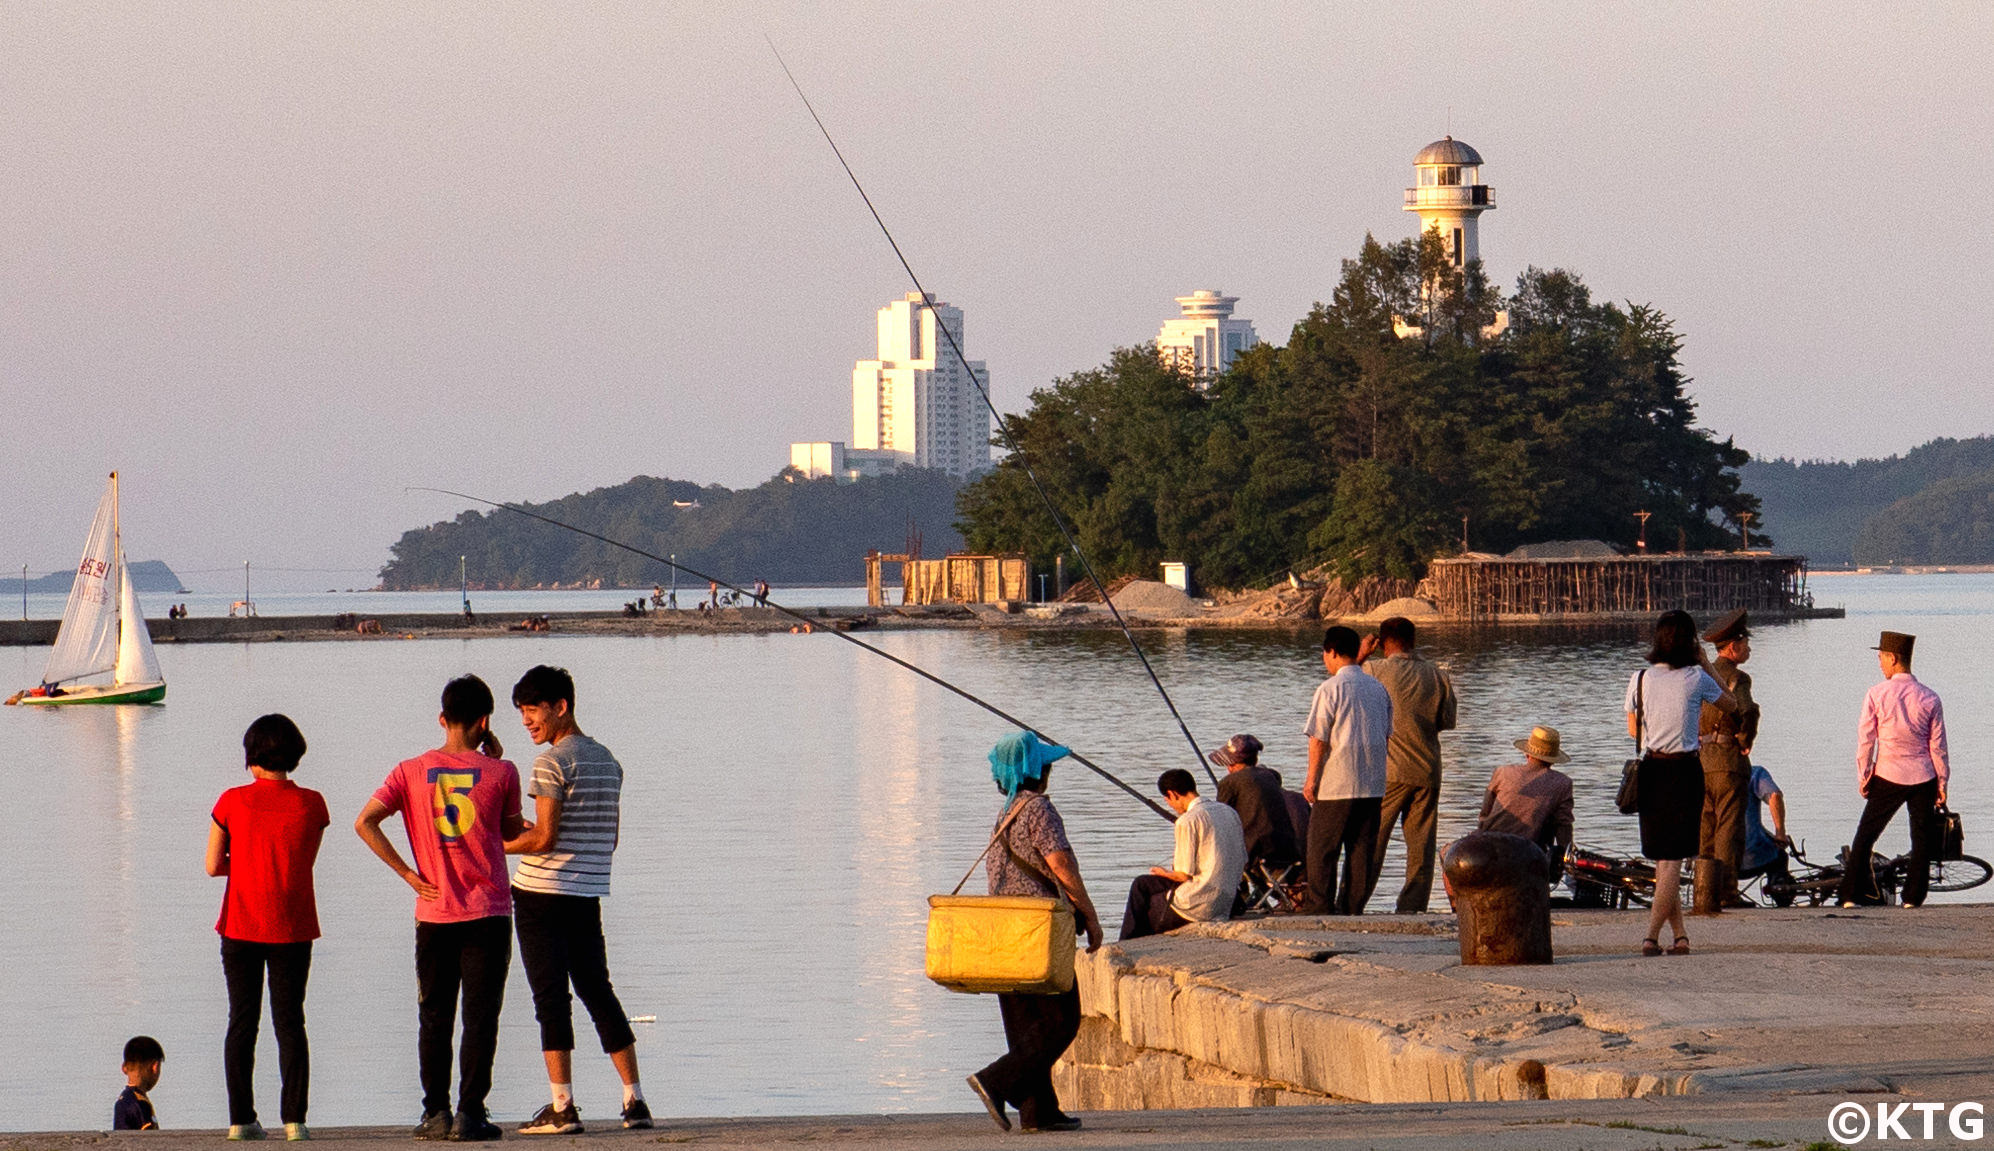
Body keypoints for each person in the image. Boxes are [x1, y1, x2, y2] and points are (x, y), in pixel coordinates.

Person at [355, 675, 526, 1142]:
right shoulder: (503, 772)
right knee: (481, 1015)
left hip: (433, 913)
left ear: (442, 719)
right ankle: (470, 1113)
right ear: (485, 721)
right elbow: (511, 832)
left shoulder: (409, 770)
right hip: (488, 911)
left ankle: (435, 1112)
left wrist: (409, 874)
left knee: (434, 1014)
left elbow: (365, 821)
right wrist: (494, 758)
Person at [505, 666, 652, 1133]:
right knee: (597, 990)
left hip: (540, 894)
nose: (527, 722)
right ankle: (634, 1101)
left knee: (550, 997)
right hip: (586, 892)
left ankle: (563, 1107)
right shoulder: (609, 761)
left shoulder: (551, 763)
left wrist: (496, 845)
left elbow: (544, 838)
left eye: (532, 711)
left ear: (560, 706)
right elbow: (608, 839)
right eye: (523, 713)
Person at [966, 731, 1104, 1135]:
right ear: (1038, 771)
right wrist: (1090, 916)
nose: (1049, 772)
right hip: (1036, 929)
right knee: (1063, 1020)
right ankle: (995, 1080)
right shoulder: (1039, 808)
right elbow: (1061, 865)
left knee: (1025, 1023)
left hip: (1002, 928)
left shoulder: (1006, 812)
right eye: (1046, 765)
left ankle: (1037, 1112)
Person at [206, 714, 330, 1142]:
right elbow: (302, 863)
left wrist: (244, 866)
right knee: (290, 1021)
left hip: (240, 924)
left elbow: (211, 866)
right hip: (293, 926)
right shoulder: (312, 804)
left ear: (252, 756)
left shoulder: (231, 802)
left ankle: (241, 1119)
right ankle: (294, 1120)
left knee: (242, 1020)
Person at [1626, 610, 1737, 957]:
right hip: (1684, 772)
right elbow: (1732, 705)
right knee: (1671, 860)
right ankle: (1650, 936)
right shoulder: (1696, 678)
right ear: (1690, 643)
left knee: (1664, 859)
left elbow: (1634, 730)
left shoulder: (1640, 678)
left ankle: (1681, 936)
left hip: (1652, 770)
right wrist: (1707, 662)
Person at [1837, 631, 1949, 908]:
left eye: (1881, 658)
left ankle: (1851, 895)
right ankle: (1912, 898)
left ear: (1893, 658)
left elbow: (1866, 741)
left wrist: (1864, 776)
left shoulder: (1876, 694)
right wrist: (1942, 783)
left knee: (1866, 835)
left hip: (1888, 773)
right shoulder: (1930, 697)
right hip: (1924, 774)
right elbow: (1938, 747)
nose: (1879, 664)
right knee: (1921, 839)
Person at [1360, 617, 1458, 913]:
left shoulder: (1374, 669)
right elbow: (1446, 722)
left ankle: (1354, 904)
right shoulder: (1437, 675)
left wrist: (1362, 654)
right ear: (1413, 641)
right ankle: (1412, 910)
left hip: (1389, 773)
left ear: (1382, 642)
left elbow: (1342, 682)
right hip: (1428, 770)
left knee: (1371, 844)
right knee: (1422, 850)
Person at [1302, 626, 1394, 915]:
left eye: (1325, 655)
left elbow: (1318, 739)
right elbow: (1387, 733)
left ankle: (1319, 907)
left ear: (1331, 652)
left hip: (1337, 782)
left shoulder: (1329, 689)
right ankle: (1352, 909)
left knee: (1322, 849)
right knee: (1360, 851)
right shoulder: (1378, 688)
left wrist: (1311, 780)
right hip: (1373, 782)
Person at [1119, 769, 1248, 940]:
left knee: (1141, 890)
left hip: (1201, 904)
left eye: (1168, 801)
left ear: (1173, 794)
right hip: (1228, 901)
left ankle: (1126, 943)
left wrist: (1163, 873)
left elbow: (1182, 875)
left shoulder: (1188, 820)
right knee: (1145, 885)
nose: (1170, 806)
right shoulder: (1229, 812)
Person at [1697, 609, 1760, 907]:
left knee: (1705, 829)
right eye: (1745, 643)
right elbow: (1746, 710)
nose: (1749, 648)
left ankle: (1703, 892)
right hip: (1727, 762)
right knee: (1728, 829)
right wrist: (1746, 739)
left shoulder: (1700, 674)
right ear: (1732, 648)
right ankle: (1727, 893)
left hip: (1700, 760)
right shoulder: (1738, 677)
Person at [1478, 726, 1576, 865]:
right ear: (1553, 760)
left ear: (1527, 754)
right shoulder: (1563, 783)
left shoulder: (1502, 772)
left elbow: (1484, 815)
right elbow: (1563, 828)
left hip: (1487, 846)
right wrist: (1567, 857)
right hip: (1529, 853)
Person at [1211, 734, 1300, 868]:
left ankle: (1238, 888)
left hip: (1254, 851)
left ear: (1231, 763)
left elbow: (1221, 822)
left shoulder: (1229, 782)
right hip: (1286, 849)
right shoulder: (1271, 776)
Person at [1737, 763, 1793, 890]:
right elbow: (1775, 796)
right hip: (1750, 858)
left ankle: (1727, 892)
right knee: (1780, 856)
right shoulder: (1754, 773)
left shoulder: (1703, 775)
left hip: (1710, 863)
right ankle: (1778, 886)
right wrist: (1780, 833)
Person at [113, 1036, 164, 1131]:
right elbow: (150, 1141)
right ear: (155, 1067)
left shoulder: (123, 1100)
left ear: (124, 1068)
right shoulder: (141, 1103)